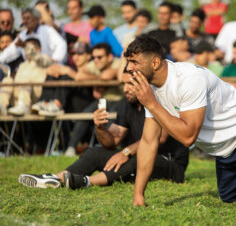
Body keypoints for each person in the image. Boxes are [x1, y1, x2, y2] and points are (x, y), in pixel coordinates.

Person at [123, 34, 236, 206]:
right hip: (224, 146)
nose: (129, 68)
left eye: (134, 62)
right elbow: (148, 141)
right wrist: (138, 195)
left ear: (155, 63)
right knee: (230, 196)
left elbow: (188, 137)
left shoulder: (188, 79)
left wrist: (151, 104)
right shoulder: (151, 89)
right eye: (128, 62)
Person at [18, 73, 189, 189]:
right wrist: (100, 127)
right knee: (96, 152)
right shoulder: (126, 104)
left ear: (144, 83)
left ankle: (85, 181)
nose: (125, 89)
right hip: (138, 158)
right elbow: (112, 141)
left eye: (130, 84)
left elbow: (160, 137)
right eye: (123, 84)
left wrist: (126, 152)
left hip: (172, 165)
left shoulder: (160, 100)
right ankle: (57, 178)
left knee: (138, 158)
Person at [63, 43, 122, 156]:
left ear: (110, 57)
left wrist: (98, 82)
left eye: (99, 57)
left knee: (108, 118)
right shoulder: (94, 65)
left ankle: (107, 149)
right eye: (94, 57)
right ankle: (71, 148)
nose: (96, 60)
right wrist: (98, 82)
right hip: (104, 100)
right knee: (85, 115)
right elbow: (80, 76)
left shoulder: (118, 63)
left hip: (121, 100)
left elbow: (107, 75)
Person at [0, 38, 52, 116]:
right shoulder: (22, 65)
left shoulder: (45, 59)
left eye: (29, 48)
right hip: (18, 97)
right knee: (8, 80)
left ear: (39, 49)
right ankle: (2, 106)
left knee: (24, 80)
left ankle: (24, 105)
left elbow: (37, 56)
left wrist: (25, 45)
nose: (26, 52)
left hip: (34, 96)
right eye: (25, 49)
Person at [0, 7, 67, 64]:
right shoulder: (22, 35)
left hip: (48, 68)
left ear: (37, 19)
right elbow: (10, 52)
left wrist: (55, 61)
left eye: (28, 18)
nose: (25, 21)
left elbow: (61, 45)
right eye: (24, 18)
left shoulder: (47, 30)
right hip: (30, 69)